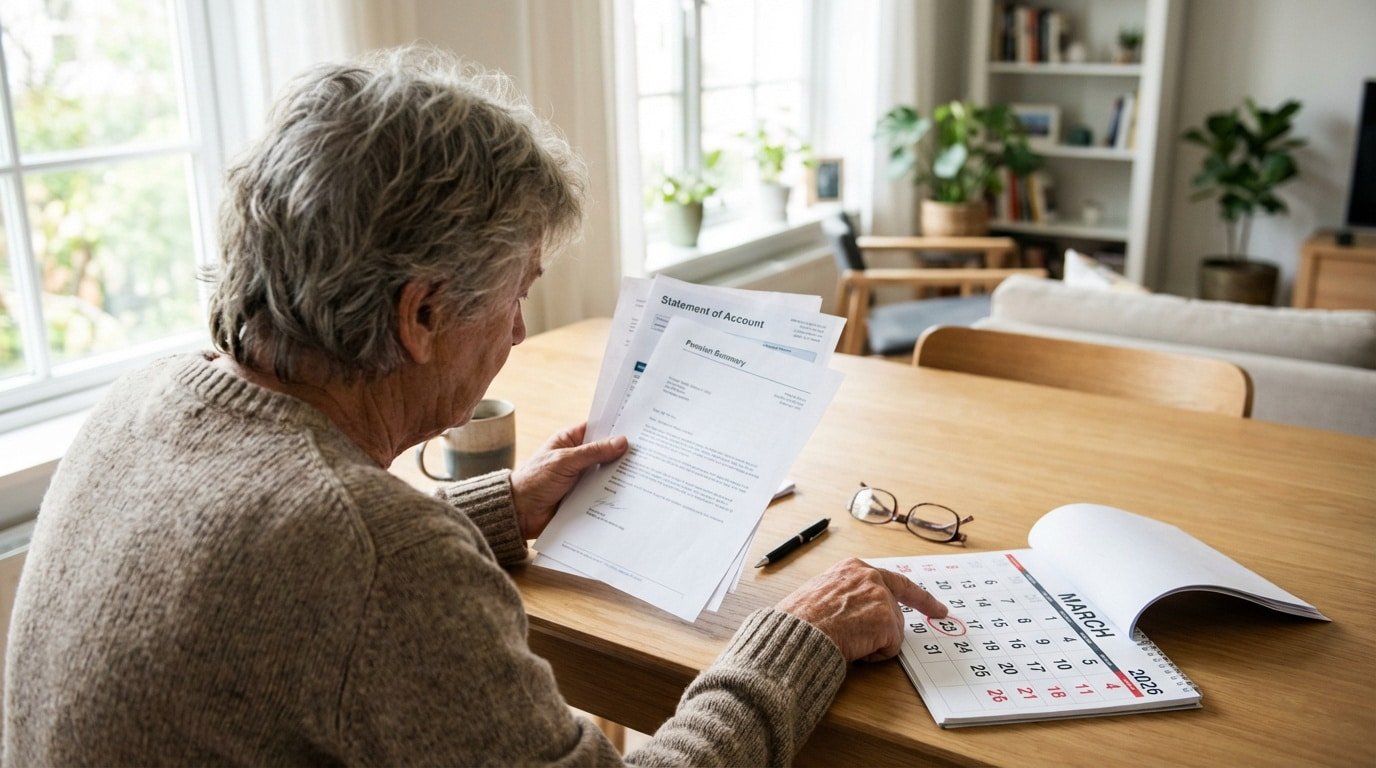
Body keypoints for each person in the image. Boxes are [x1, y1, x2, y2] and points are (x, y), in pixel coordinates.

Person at [2, 47, 945, 766]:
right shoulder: (379, 561)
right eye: (517, 292)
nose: (522, 334)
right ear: (421, 313)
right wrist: (796, 640)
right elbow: (354, 568)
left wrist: (503, 508)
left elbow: (287, 582)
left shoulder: (147, 398)